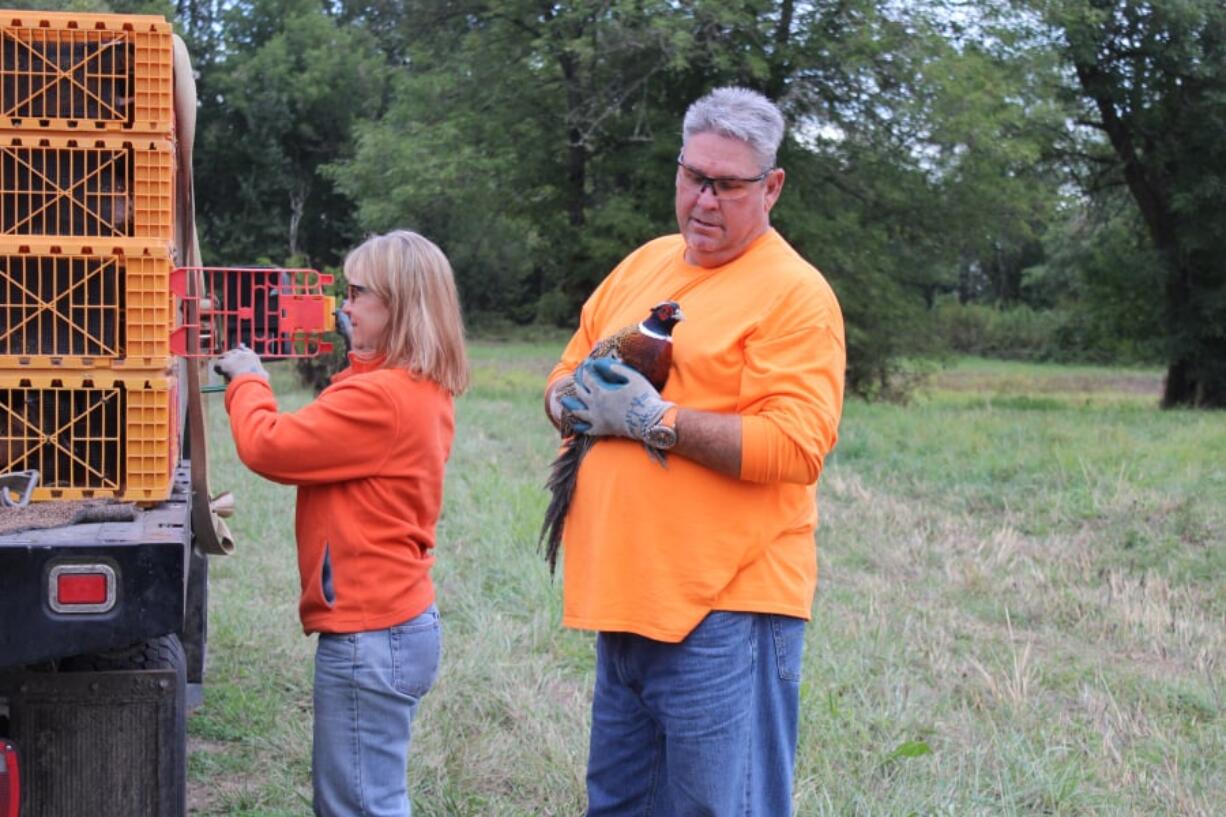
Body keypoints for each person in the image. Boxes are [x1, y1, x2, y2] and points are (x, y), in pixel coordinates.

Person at [544, 86, 846, 815]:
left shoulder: (794, 295)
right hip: (629, 597)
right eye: (692, 177)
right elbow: (561, 374)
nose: (703, 201)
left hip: (727, 607)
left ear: (771, 187)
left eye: (728, 184)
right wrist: (573, 401)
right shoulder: (645, 264)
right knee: (618, 804)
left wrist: (654, 420)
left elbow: (799, 443)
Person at [215, 230, 469, 817]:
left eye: (356, 294)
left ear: (398, 305)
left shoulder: (382, 399)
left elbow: (270, 447)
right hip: (393, 627)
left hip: (370, 637)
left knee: (359, 806)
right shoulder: (411, 386)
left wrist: (250, 377)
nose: (343, 307)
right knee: (368, 797)